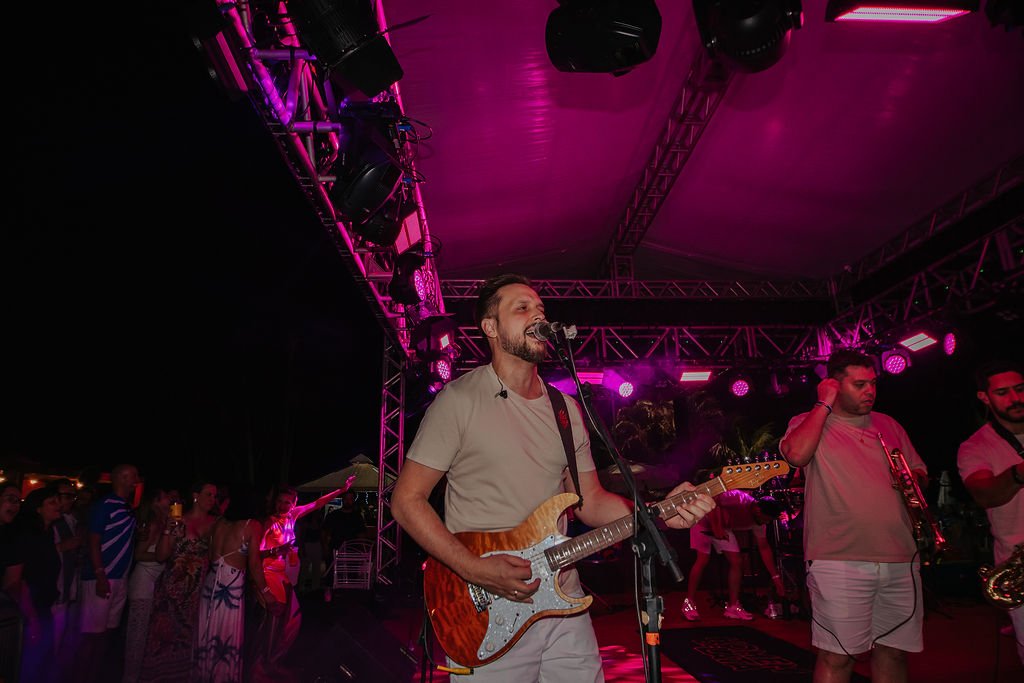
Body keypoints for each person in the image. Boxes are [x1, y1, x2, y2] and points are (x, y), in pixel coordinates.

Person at [391, 273, 715, 682]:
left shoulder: (566, 410)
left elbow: (590, 501)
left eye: (540, 308)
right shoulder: (459, 400)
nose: (538, 315)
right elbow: (406, 501)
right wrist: (474, 569)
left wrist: (658, 514)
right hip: (487, 603)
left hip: (563, 598)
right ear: (490, 327)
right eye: (522, 308)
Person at [781, 349, 928, 683]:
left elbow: (919, 472)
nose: (870, 391)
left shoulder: (889, 424)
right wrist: (824, 402)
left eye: (873, 383)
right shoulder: (809, 421)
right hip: (839, 559)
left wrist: (913, 480)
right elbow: (797, 456)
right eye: (860, 385)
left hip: (900, 556)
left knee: (894, 652)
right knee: (837, 657)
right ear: (833, 385)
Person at [250, 477, 355, 682]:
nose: (283, 506)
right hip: (269, 574)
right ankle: (262, 668)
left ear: (294, 504)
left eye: (287, 502)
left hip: (283, 574)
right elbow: (256, 555)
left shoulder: (293, 515)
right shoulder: (269, 522)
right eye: (280, 501)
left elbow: (318, 503)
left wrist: (342, 490)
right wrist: (276, 550)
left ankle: (273, 662)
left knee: (292, 621)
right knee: (275, 623)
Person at [957, 360, 1024, 663]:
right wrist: (1019, 472)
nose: (1015, 398)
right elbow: (984, 494)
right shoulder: (975, 446)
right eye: (1003, 392)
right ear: (984, 397)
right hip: (1018, 565)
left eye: (1020, 389)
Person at [138, 481, 218, 682]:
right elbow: (161, 556)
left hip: (197, 593)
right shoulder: (179, 520)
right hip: (171, 591)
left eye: (215, 496)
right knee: (163, 638)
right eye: (208, 494)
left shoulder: (216, 523)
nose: (213, 499)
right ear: (195, 496)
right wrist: (167, 531)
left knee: (189, 640)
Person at [196, 488, 272, 683]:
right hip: (230, 590)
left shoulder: (218, 523)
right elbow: (254, 565)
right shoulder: (252, 525)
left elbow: (209, 554)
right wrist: (266, 591)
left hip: (210, 586)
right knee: (226, 639)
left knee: (208, 634)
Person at [77, 464, 140, 683]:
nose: (136, 481)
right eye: (133, 476)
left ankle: (96, 675)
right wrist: (100, 574)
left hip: (119, 577)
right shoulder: (105, 505)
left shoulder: (126, 507)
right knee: (92, 635)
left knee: (107, 633)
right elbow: (93, 540)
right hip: (102, 577)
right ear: (121, 478)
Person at [681, 492, 785, 621]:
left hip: (723, 527)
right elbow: (712, 499)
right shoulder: (739, 499)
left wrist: (775, 577)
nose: (767, 522)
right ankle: (689, 603)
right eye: (767, 519)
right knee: (702, 559)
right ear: (758, 510)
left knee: (737, 561)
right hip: (703, 519)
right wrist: (716, 526)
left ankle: (732, 606)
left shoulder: (759, 523)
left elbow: (764, 548)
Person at [13, 485, 63, 683]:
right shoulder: (29, 536)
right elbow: (20, 579)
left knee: (42, 662)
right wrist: (32, 616)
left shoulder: (47, 533)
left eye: (58, 501)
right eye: (52, 502)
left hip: (42, 606)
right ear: (38, 509)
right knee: (29, 663)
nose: (58, 505)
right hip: (29, 609)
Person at [122, 486, 172, 683]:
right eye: (165, 497)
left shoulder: (163, 522)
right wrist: (163, 557)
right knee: (137, 637)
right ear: (156, 502)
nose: (169, 500)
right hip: (143, 582)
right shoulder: (152, 524)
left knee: (146, 636)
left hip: (153, 583)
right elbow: (139, 554)